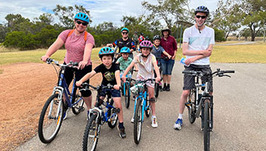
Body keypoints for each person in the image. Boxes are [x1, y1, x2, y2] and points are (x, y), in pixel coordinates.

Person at [41, 12, 94, 119]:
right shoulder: (67, 33)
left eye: (84, 23)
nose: (80, 25)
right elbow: (56, 45)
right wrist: (47, 55)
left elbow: (88, 50)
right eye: (78, 22)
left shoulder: (88, 37)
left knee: (84, 90)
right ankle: (64, 108)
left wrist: (84, 61)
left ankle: (89, 109)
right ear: (74, 22)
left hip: (83, 66)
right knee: (62, 86)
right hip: (68, 64)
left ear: (86, 25)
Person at [174, 6, 214, 130]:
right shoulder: (188, 31)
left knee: (209, 93)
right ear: (194, 17)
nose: (200, 19)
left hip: (203, 65)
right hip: (190, 65)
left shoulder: (210, 31)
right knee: (186, 92)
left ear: (206, 18)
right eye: (198, 16)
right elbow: (185, 50)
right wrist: (202, 52)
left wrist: (194, 57)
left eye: (203, 17)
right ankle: (179, 117)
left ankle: (209, 119)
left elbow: (210, 52)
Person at [76, 47, 126, 138]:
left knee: (118, 105)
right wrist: (81, 81)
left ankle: (121, 125)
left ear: (112, 59)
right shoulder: (101, 67)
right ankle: (95, 119)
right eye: (104, 59)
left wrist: (118, 84)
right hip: (104, 86)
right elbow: (90, 74)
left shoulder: (115, 66)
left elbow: (117, 74)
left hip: (114, 87)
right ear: (101, 59)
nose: (107, 61)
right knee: (97, 102)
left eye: (109, 58)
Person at [122, 40, 161, 128]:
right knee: (137, 95)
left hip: (150, 77)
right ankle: (135, 114)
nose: (145, 51)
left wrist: (158, 76)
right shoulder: (137, 57)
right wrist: (124, 75)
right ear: (141, 49)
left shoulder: (152, 57)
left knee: (151, 97)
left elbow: (155, 67)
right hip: (140, 77)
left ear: (150, 50)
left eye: (147, 49)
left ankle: (154, 116)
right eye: (144, 49)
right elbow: (130, 66)